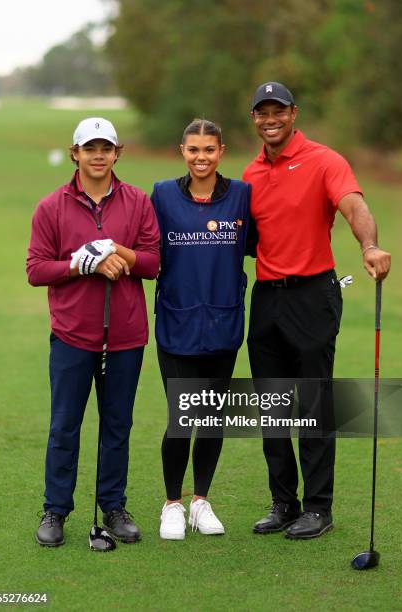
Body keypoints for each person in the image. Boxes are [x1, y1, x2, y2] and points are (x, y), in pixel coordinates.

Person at [243, 82, 391, 539]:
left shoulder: (325, 160)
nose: (270, 119)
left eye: (278, 111)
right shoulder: (249, 174)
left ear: (293, 114)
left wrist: (369, 245)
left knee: (311, 401)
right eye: (262, 112)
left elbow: (354, 206)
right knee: (271, 407)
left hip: (312, 295)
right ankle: (284, 502)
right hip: (267, 297)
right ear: (254, 119)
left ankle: (318, 507)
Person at [27, 117, 160, 547]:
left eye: (106, 148)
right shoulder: (51, 207)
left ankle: (114, 506)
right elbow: (35, 270)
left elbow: (153, 263)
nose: (98, 155)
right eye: (90, 148)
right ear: (75, 153)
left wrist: (118, 254)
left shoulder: (138, 202)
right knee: (64, 426)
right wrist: (80, 263)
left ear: (117, 153)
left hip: (125, 336)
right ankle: (56, 509)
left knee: (117, 425)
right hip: (72, 335)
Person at [151, 119, 251, 539]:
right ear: (182, 151)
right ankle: (172, 503)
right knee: (181, 417)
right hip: (176, 322)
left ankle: (200, 501)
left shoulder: (242, 196)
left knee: (210, 418)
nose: (201, 157)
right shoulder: (162, 195)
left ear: (221, 151)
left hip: (223, 323)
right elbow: (144, 247)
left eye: (209, 149)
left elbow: (262, 245)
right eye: (193, 149)